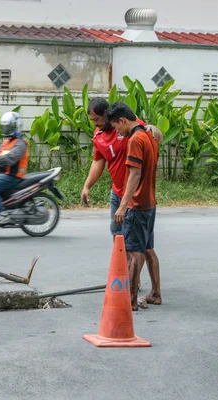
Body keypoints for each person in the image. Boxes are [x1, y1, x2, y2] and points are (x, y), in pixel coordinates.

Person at [81, 97, 162, 292]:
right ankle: (128, 279)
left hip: (133, 197)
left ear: (109, 117)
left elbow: (154, 136)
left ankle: (131, 286)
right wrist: (87, 185)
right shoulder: (98, 134)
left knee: (136, 245)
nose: (95, 124)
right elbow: (98, 161)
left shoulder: (128, 127)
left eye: (96, 119)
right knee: (119, 239)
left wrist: (153, 128)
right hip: (117, 193)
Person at [107, 102, 161, 311]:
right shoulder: (150, 135)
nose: (117, 132)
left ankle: (130, 300)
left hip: (137, 204)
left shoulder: (135, 140)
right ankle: (156, 293)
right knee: (147, 248)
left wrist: (122, 206)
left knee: (133, 251)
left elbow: (134, 174)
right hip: (150, 202)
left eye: (116, 127)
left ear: (122, 120)